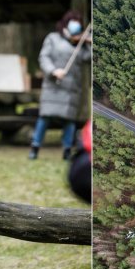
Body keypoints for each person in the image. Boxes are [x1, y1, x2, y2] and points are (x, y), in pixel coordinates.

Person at [29, 10, 91, 160]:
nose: (75, 25)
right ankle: (35, 147)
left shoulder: (79, 44)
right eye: (73, 21)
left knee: (69, 120)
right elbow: (44, 57)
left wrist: (89, 43)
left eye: (78, 22)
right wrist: (53, 71)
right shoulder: (53, 38)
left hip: (71, 89)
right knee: (44, 117)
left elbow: (88, 58)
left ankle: (67, 150)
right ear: (65, 23)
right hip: (53, 85)